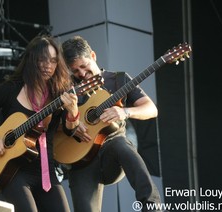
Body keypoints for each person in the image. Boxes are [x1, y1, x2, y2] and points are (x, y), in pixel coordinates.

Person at [0, 35, 80, 212]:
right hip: (13, 174)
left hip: (46, 172)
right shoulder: (10, 89)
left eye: (53, 61)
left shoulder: (59, 94)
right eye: (42, 60)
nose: (48, 66)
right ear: (31, 60)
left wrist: (73, 111)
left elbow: (70, 131)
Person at [61, 35, 162, 212]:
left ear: (93, 55)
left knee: (121, 145)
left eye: (84, 66)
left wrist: (124, 112)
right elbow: (57, 125)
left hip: (111, 153)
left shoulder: (118, 80)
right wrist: (73, 122)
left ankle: (152, 206)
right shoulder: (68, 89)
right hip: (81, 158)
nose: (82, 74)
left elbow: (151, 109)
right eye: (75, 71)